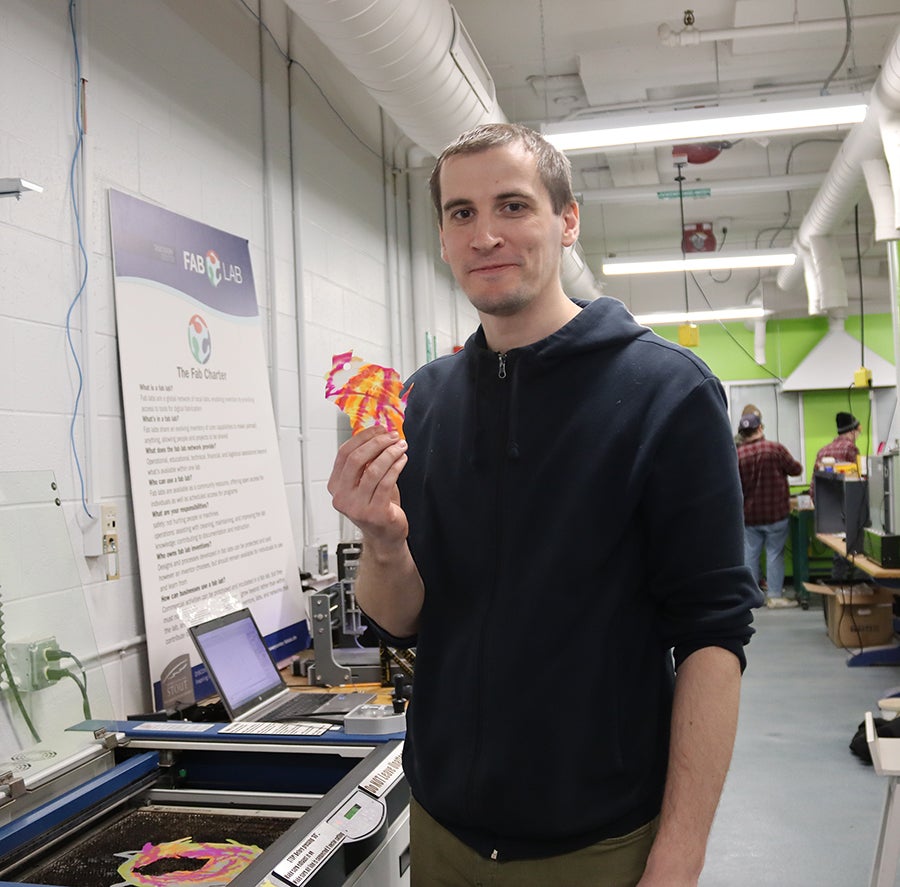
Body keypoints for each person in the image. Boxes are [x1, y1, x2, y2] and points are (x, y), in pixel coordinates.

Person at [328, 122, 761, 887]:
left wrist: (680, 856)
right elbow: (400, 617)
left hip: (595, 846)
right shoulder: (425, 399)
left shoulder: (668, 392)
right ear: (442, 235)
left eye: (513, 206)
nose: (486, 233)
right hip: (442, 829)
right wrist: (383, 539)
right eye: (461, 212)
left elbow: (713, 637)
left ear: (567, 221)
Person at [736, 413, 803, 608]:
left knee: (750, 555)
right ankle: (774, 596)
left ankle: (750, 597)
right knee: (774, 554)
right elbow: (796, 469)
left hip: (749, 515)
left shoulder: (737, 455)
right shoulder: (775, 449)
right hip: (776, 514)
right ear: (760, 428)